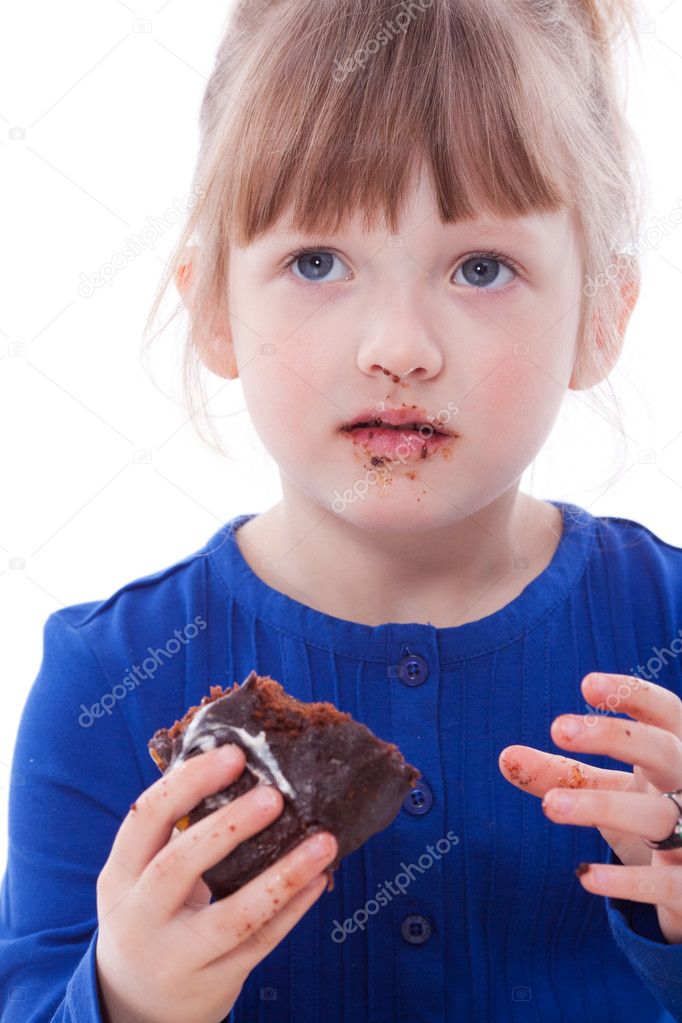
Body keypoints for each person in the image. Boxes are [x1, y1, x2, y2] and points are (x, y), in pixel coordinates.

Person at [3, 0, 682, 1020]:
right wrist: (126, 995)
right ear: (214, 312)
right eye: (317, 263)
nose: (398, 345)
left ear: (599, 316)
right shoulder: (108, 681)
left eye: (480, 268)